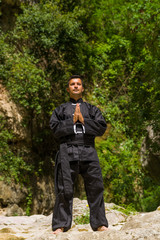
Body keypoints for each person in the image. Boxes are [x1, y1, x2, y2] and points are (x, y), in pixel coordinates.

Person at [50, 75, 108, 234]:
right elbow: (54, 130)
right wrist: (71, 122)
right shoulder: (60, 110)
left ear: (83, 88)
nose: (75, 86)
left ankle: (99, 224)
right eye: (72, 84)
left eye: (78, 84)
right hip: (67, 150)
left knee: (96, 187)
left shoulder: (92, 109)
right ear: (68, 89)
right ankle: (60, 225)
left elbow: (101, 128)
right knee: (65, 189)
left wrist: (84, 120)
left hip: (88, 150)